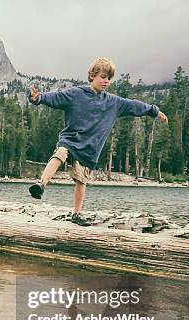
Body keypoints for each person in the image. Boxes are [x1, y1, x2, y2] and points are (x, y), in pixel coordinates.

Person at [27, 57, 168, 225]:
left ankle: (77, 214)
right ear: (92, 76)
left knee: (81, 180)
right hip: (71, 138)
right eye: (103, 77)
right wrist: (38, 98)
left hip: (89, 148)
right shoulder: (75, 94)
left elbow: (134, 105)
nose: (106, 81)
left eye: (109, 78)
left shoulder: (113, 103)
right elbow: (54, 98)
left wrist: (154, 111)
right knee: (60, 152)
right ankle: (41, 184)